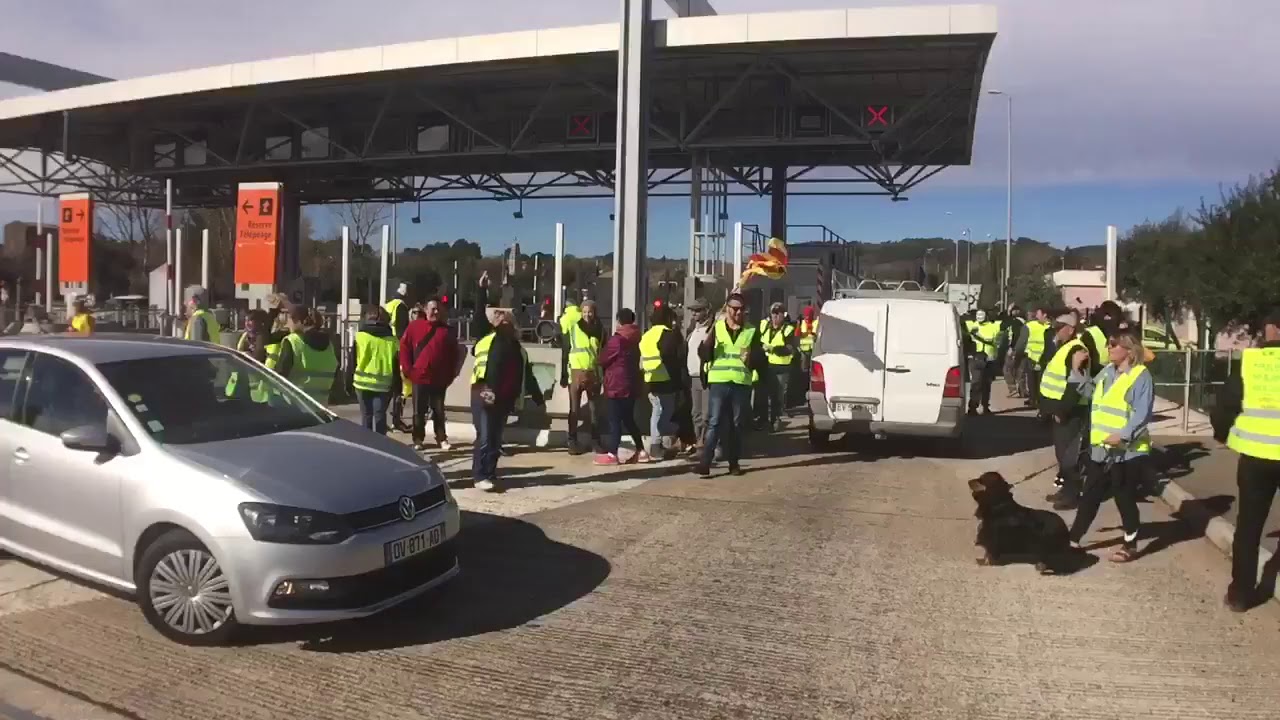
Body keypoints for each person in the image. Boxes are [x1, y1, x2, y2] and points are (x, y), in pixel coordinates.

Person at [1212, 308, 1280, 612]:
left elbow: (1225, 407)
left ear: (1273, 330)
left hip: (1256, 458)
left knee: (1249, 527)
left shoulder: (1250, 364)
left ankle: (1240, 594)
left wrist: (1221, 433)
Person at [1068, 330, 1154, 563]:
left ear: (1128, 350)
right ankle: (1072, 539)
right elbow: (1089, 395)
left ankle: (1130, 543)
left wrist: (1123, 435)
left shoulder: (1140, 376)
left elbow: (1142, 413)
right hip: (1101, 450)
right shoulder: (1107, 372)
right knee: (1090, 495)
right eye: (1108, 344)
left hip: (1128, 451)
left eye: (1114, 344)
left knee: (1123, 496)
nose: (1109, 348)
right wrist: (1077, 372)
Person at [469, 307, 544, 492]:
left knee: (495, 439)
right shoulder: (486, 339)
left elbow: (527, 375)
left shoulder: (519, 350)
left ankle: (489, 472)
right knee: (485, 437)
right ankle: (480, 475)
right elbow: (478, 320)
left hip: (504, 399)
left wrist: (537, 396)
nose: (504, 323)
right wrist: (481, 291)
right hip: (483, 393)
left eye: (507, 320)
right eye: (500, 320)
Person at [696, 293, 765, 478]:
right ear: (727, 309)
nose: (738, 312)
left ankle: (733, 464)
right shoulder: (717, 328)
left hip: (740, 384)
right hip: (719, 381)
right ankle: (705, 463)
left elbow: (760, 360)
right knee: (714, 422)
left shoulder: (751, 331)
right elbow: (704, 354)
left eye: (742, 309)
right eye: (734, 308)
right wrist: (708, 338)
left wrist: (751, 357)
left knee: (736, 424)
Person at [1039, 314, 1092, 510]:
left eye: (1060, 327)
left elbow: (1076, 385)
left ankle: (1072, 495)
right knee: (1062, 455)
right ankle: (1065, 490)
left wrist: (1062, 410)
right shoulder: (1065, 348)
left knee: (1069, 456)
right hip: (1061, 409)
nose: (1056, 330)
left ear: (1071, 329)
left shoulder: (1077, 350)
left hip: (1070, 411)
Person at [401, 298, 460, 451]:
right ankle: (418, 438)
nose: (435, 312)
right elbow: (405, 348)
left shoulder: (447, 331)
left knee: (439, 410)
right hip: (419, 377)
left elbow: (454, 355)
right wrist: (408, 369)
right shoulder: (415, 327)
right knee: (418, 411)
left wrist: (451, 375)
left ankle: (441, 438)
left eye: (438, 309)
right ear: (425, 310)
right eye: (432, 309)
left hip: (439, 379)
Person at [596, 308, 648, 465]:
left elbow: (602, 359)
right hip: (631, 384)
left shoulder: (617, 340)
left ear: (618, 321)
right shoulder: (637, 337)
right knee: (628, 419)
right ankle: (641, 451)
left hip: (616, 385)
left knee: (614, 420)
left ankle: (612, 454)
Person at [561, 299, 605, 455]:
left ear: (595, 312)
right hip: (575, 371)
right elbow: (565, 351)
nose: (587, 314)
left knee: (594, 410)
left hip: (592, 372)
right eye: (584, 311)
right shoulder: (574, 327)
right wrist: (563, 375)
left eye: (590, 311)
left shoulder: (600, 330)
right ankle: (572, 442)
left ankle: (595, 441)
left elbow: (602, 352)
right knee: (574, 409)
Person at [346, 305, 398, 434]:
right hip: (383, 385)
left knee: (366, 416)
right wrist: (398, 387)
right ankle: (382, 445)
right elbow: (396, 366)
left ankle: (366, 444)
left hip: (361, 383)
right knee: (380, 415)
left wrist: (347, 383)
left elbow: (352, 362)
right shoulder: (393, 341)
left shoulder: (360, 337)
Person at [641, 304, 683, 459]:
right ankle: (656, 444)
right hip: (666, 379)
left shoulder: (647, 335)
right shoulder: (668, 335)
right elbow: (675, 358)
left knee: (657, 411)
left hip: (650, 379)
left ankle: (658, 443)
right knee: (662, 412)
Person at [275, 305, 337, 405]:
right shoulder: (329, 344)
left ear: (298, 321)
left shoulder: (293, 341)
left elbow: (280, 374)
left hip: (295, 404)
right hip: (321, 404)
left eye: (289, 319)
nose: (287, 324)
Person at [760, 302, 798, 431]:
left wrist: (772, 349)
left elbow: (789, 349)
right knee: (765, 394)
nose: (775, 317)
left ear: (783, 315)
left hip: (782, 367)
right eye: (773, 314)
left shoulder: (788, 329)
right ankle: (764, 420)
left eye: (778, 314)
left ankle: (776, 419)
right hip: (767, 366)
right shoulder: (764, 327)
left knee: (778, 395)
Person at [684, 298, 714, 454]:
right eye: (693, 311)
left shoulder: (711, 329)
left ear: (706, 311)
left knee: (706, 413)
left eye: (698, 310)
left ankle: (706, 443)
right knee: (695, 412)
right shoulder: (692, 330)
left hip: (706, 377)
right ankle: (697, 441)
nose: (694, 313)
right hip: (693, 376)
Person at [385, 281, 412, 432]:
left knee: (388, 387)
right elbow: (403, 331)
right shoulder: (401, 306)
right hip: (397, 349)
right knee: (399, 387)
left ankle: (387, 419)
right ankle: (396, 419)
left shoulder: (388, 305)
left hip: (386, 348)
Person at [966, 309, 1001, 415]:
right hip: (976, 358)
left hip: (989, 359)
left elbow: (993, 340)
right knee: (976, 383)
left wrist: (977, 335)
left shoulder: (994, 327)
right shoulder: (970, 325)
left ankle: (985, 406)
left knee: (986, 384)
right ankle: (973, 407)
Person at [1002, 306, 1026, 397]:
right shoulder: (1025, 322)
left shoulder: (1015, 322)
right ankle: (1023, 391)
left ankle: (1012, 389)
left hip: (1014, 348)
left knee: (1007, 369)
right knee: (1020, 370)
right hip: (1023, 349)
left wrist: (1012, 347)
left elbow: (1015, 335)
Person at [795, 304, 820, 373]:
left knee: (813, 370)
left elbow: (818, 335)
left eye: (808, 315)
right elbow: (797, 334)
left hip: (813, 350)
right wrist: (798, 325)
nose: (807, 317)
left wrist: (812, 333)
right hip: (804, 351)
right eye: (805, 315)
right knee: (804, 369)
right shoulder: (801, 323)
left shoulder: (815, 323)